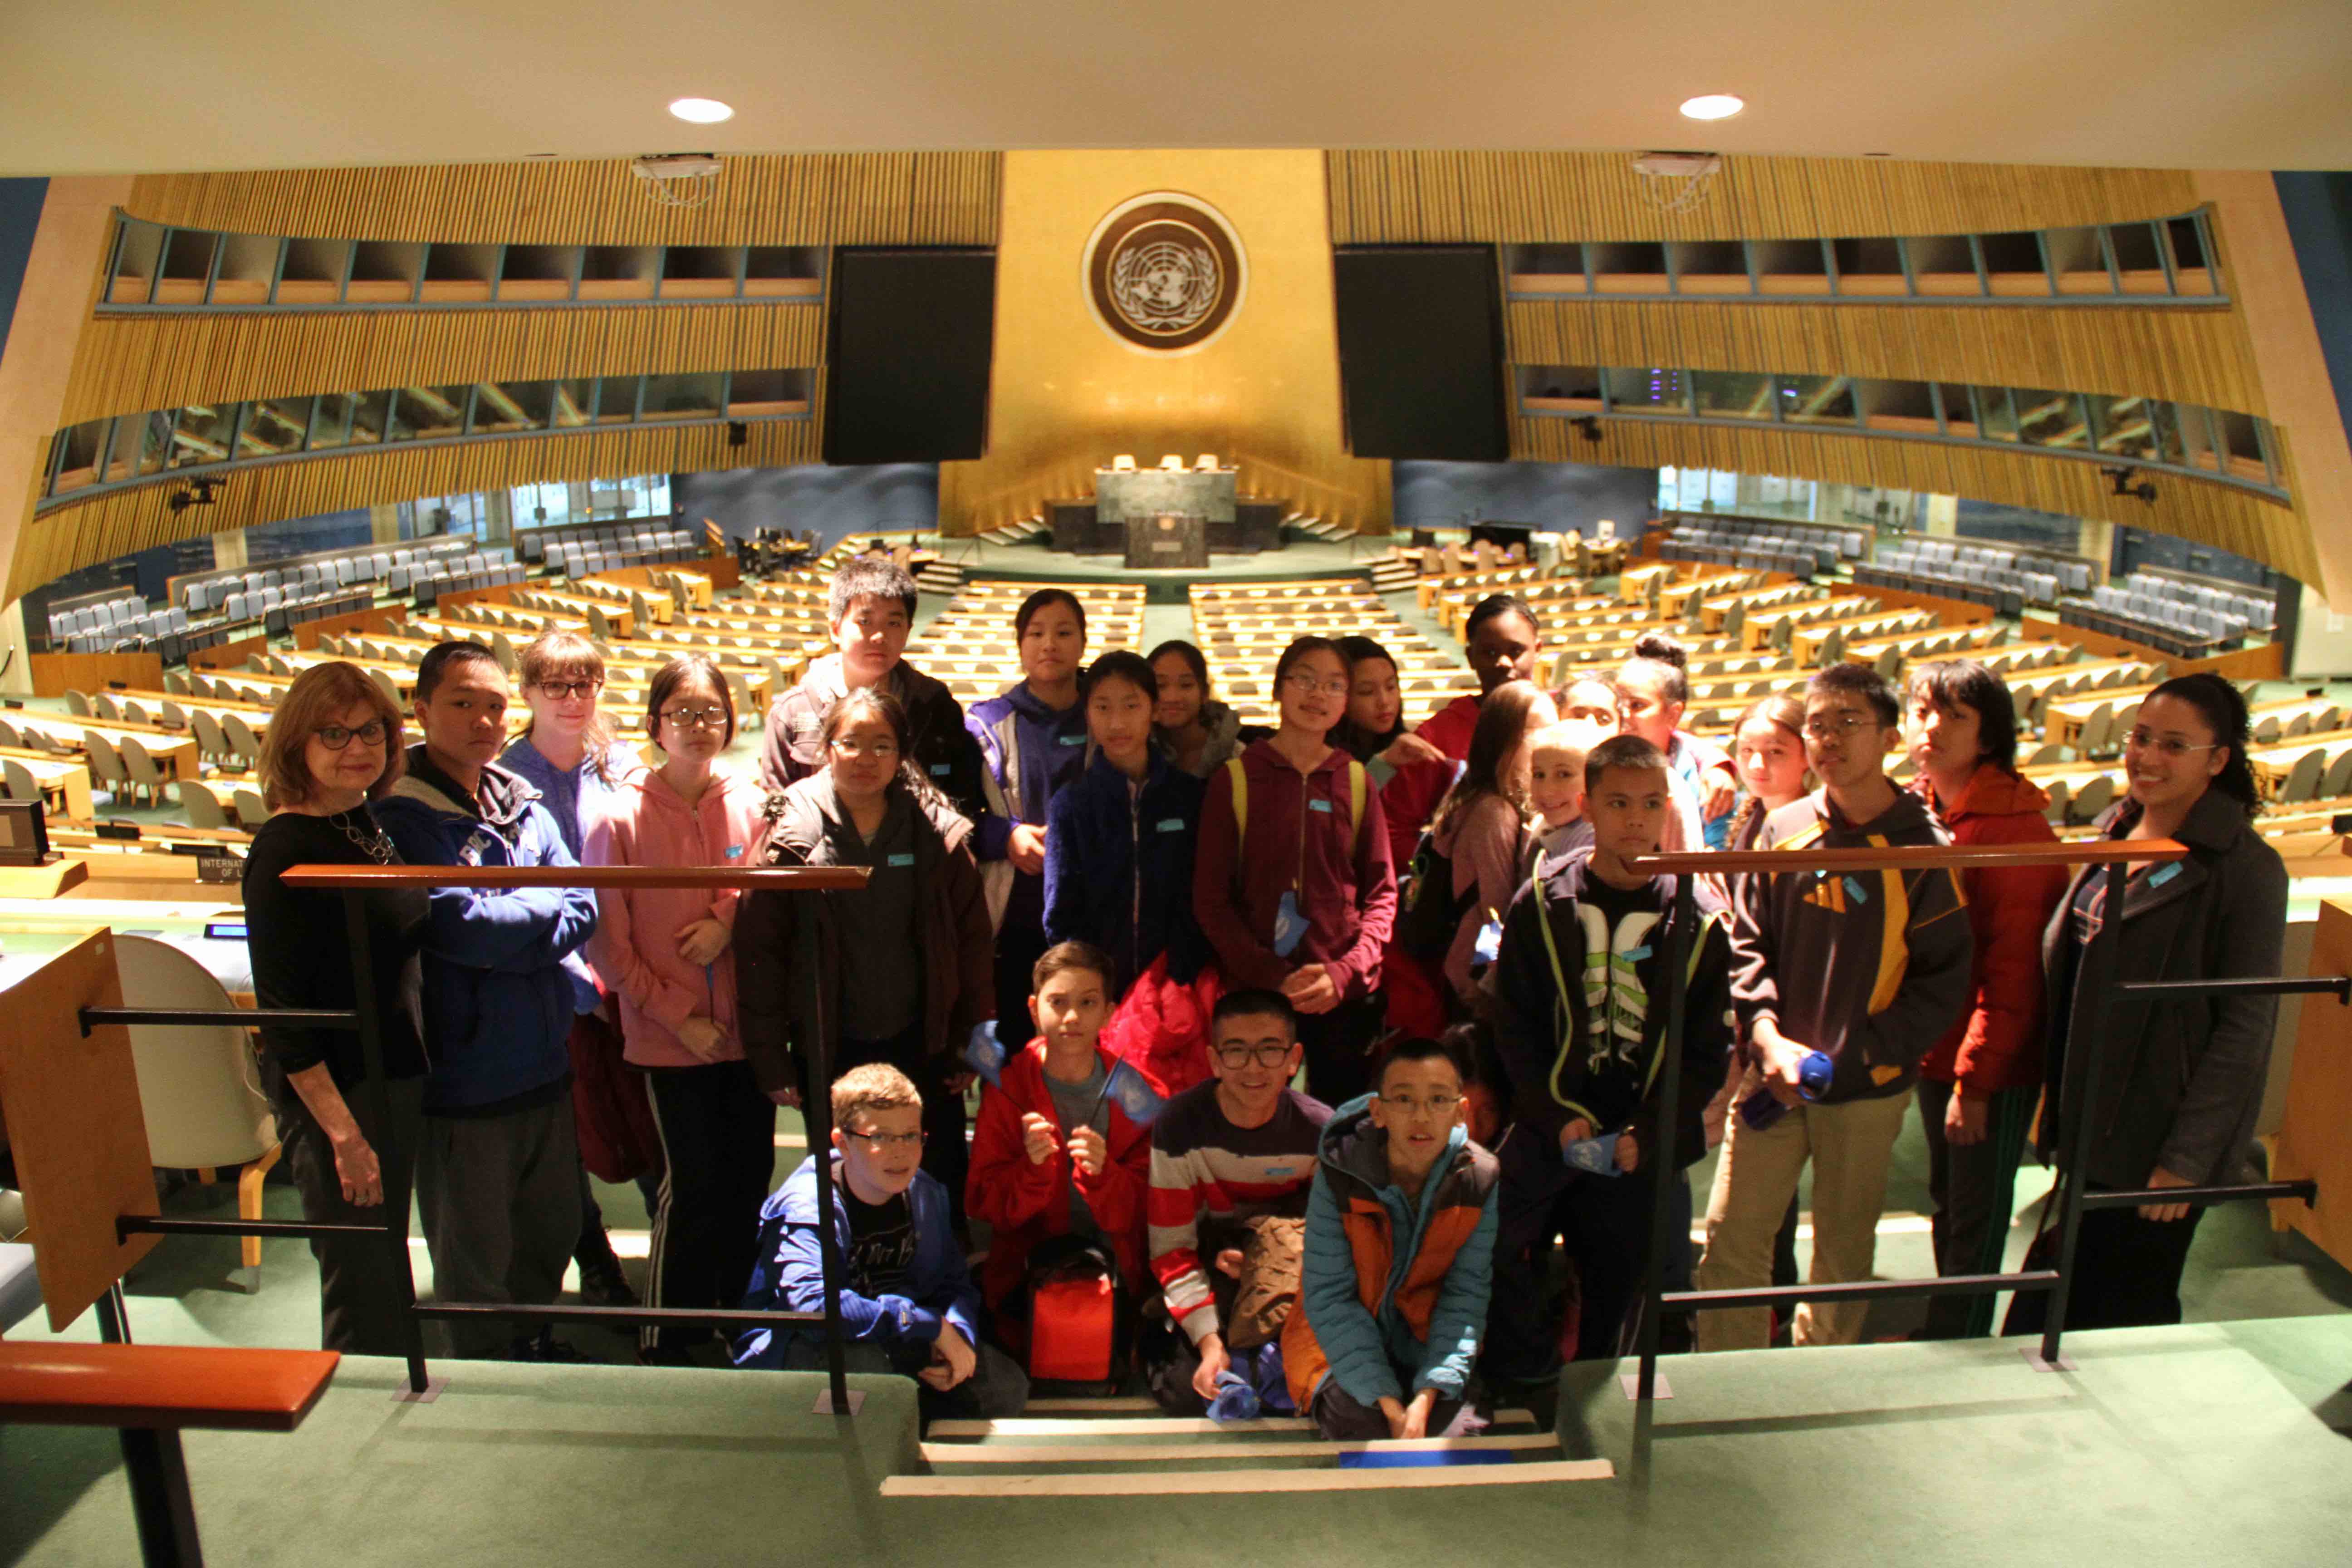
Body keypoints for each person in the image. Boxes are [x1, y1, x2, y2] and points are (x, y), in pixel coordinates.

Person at [1696, 662, 1973, 1351]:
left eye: (1850, 723)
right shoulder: (1783, 825)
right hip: (1774, 1074)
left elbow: (1943, 981)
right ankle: (1724, 1385)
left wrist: (1850, 1063)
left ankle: (1818, 1384)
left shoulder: (1923, 849)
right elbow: (1746, 940)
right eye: (1818, 725)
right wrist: (1765, 1037)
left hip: (1864, 1089)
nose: (1830, 740)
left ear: (1889, 737)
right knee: (1732, 1244)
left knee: (1841, 1259)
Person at [2005, 675, 2288, 1334]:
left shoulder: (2246, 869)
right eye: (2140, 738)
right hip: (2090, 1131)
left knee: (2118, 1321)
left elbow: (2246, 1027)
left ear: (2218, 760)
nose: (2147, 757)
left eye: (2173, 745)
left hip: (2155, 1149)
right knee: (2059, 1316)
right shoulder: (2118, 830)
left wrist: (2185, 1162)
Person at [375, 641, 601, 1361]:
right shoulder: (401, 819)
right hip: (464, 1078)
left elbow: (584, 900)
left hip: (542, 1062)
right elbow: (461, 927)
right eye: (462, 703)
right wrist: (539, 911)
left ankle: (530, 1342)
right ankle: (483, 1373)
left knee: (552, 1226)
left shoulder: (519, 799)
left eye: (495, 705)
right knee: (473, 1250)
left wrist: (521, 913)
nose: (482, 719)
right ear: (420, 710)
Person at [1485, 734, 1733, 1379]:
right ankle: (1525, 1375)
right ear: (1588, 805)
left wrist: (1651, 1132)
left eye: (1650, 804)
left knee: (1628, 1283)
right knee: (1497, 1245)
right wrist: (1552, 1113)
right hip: (1553, 1121)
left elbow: (1708, 1050)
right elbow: (1515, 1024)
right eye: (1618, 803)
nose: (1635, 820)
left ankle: (1599, 1385)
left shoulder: (1698, 919)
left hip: (1640, 1134)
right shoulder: (1542, 904)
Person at [736, 687, 995, 1219]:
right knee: (843, 1180)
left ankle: (930, 1287)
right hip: (829, 1045)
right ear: (827, 748)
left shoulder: (932, 829)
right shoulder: (793, 831)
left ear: (901, 754)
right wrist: (770, 1055)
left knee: (930, 1176)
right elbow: (761, 950)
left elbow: (971, 941)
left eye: (882, 745)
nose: (865, 758)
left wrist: (972, 1038)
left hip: (920, 1040)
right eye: (851, 743)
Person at [583, 656, 773, 1362]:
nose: (699, 727)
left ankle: (730, 1315)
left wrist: (727, 916)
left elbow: (761, 883)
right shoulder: (618, 818)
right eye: (683, 714)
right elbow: (608, 945)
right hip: (671, 1041)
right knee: (690, 1190)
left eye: (712, 713)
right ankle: (668, 1338)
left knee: (748, 1184)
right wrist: (676, 1015)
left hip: (742, 1037)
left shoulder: (751, 802)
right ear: (656, 723)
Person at [242, 661, 428, 1356]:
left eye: (371, 730)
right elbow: (286, 1017)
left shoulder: (362, 823)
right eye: (334, 733)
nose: (358, 747)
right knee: (360, 1283)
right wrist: (346, 1139)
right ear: (297, 745)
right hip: (342, 1099)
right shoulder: (285, 852)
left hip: (392, 1076)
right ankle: (360, 1432)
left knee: (385, 1269)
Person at [1904, 660, 2069, 1338]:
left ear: (1990, 736)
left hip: (1988, 1064)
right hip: (1937, 1047)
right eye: (1922, 711)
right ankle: (1951, 1331)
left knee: (1975, 1215)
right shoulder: (1926, 812)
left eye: (1955, 716)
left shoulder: (2013, 832)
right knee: (1950, 1203)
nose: (1932, 727)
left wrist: (1975, 1082)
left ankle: (1959, 1346)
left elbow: (2013, 976)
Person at [733, 1063, 1028, 1426]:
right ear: (843, 1142)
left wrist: (958, 1334)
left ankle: (903, 1412)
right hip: (812, 1344)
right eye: (880, 1138)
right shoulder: (806, 1206)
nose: (899, 1152)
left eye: (910, 1136)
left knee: (1005, 1388)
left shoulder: (925, 1193)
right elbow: (813, 1308)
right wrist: (925, 1324)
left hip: (895, 1335)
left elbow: (952, 1282)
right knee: (871, 1378)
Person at [500, 630, 653, 1310]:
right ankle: (595, 1261)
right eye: (556, 686)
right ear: (528, 692)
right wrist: (576, 978)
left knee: (647, 1128)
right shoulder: (504, 776)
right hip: (554, 989)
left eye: (585, 684)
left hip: (629, 978)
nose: (573, 699)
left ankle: (673, 1249)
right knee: (568, 1142)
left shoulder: (619, 763)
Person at [1192, 636, 1397, 1107]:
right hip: (1257, 992)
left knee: (1340, 1125)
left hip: (1340, 993)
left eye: (1333, 685)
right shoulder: (1237, 779)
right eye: (1304, 679)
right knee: (1254, 1121)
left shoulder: (1355, 780)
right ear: (1279, 689)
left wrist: (1345, 972)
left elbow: (1382, 894)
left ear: (1345, 702)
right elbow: (1211, 899)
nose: (1317, 694)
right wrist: (1270, 973)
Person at [1283, 1035, 1497, 1440]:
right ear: (1378, 1111)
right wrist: (1387, 1400)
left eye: (1438, 1100)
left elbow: (1466, 1295)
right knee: (1362, 1424)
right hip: (1337, 1334)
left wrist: (1429, 1394)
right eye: (1404, 1100)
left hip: (1423, 1335)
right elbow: (1329, 1294)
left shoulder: (1480, 1178)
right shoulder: (1340, 1169)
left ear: (1460, 1113)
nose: (1421, 1117)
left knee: (1459, 1429)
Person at [1143, 989, 1331, 1414]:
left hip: (1291, 1282)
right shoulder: (1179, 1126)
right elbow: (1172, 1249)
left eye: (1270, 1051)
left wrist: (1270, 1264)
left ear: (1294, 1058)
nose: (1253, 1068)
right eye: (1236, 1051)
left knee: (1312, 1383)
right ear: (1213, 1060)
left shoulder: (1322, 1131)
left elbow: (1335, 1246)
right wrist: (1210, 1344)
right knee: (1186, 1388)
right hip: (1210, 1275)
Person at [965, 943, 1153, 1357]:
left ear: (1109, 1011)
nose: (1072, 1017)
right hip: (1026, 1285)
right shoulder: (1008, 1090)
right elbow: (982, 1203)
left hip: (1117, 1284)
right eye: (1058, 1002)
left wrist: (1106, 1175)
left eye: (1088, 1003)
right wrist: (1030, 1170)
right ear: (1034, 1010)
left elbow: (1151, 1209)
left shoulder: (1137, 1092)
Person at [759, 554, 983, 818]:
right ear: (835, 629)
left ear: (909, 629)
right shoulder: (793, 711)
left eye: (893, 623)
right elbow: (776, 807)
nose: (879, 636)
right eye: (865, 622)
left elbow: (961, 800)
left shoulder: (936, 705)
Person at [1043, 651, 1207, 999]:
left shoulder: (1189, 796)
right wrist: (1092, 993)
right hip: (1101, 997)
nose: (1117, 723)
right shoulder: (1071, 804)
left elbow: (1199, 901)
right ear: (1087, 714)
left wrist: (1178, 980)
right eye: (1103, 707)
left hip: (1176, 992)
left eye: (1131, 706)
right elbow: (1062, 915)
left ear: (1154, 710)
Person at [970, 588, 1091, 1035]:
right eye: (1036, 633)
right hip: (1015, 909)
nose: (1049, 644)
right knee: (1016, 1049)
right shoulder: (986, 723)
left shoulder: (1107, 714)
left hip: (1091, 911)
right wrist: (1006, 836)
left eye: (1063, 632)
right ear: (1020, 645)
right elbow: (954, 814)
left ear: (1083, 642)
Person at [1401, 680, 1558, 1023]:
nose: (1552, 744)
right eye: (1541, 733)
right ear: (1504, 742)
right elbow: (1497, 909)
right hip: (1475, 983)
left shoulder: (1482, 797)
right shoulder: (1494, 811)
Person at [1378, 593, 1544, 871]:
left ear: (1538, 649)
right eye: (1489, 652)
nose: (1503, 662)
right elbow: (1394, 828)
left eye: (1516, 651)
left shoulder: (1563, 721)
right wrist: (1446, 873)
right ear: (1470, 656)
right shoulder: (1436, 736)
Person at [1615, 632, 1738, 851]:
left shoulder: (1706, 782)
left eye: (1637, 706)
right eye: (1617, 705)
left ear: (1673, 714)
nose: (1623, 716)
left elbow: (1712, 859)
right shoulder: (1594, 758)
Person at [1148, 639, 1269, 778]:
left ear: (1204, 693)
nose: (1172, 697)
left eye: (1186, 685)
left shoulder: (1241, 754)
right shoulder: (1138, 754)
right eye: (1160, 686)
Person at [1327, 635, 1410, 778]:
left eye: (1391, 687)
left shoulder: (1409, 746)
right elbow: (1347, 800)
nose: (1384, 701)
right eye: (1367, 692)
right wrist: (1384, 765)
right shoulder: (1322, 758)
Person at [1525, 722, 1593, 868]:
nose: (1547, 791)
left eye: (1564, 775)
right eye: (1539, 775)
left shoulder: (1593, 839)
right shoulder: (1543, 826)